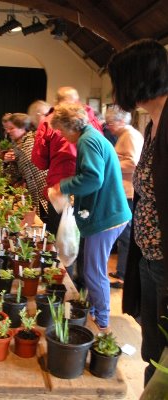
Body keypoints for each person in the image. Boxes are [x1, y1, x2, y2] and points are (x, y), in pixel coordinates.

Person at [108, 38, 168, 386]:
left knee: (162, 359)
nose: (117, 92)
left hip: (163, 261)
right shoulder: (151, 124)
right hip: (150, 256)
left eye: (119, 82)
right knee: (152, 349)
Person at [49, 103, 131, 332]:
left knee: (94, 271)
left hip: (107, 216)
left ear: (70, 126)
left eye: (62, 131)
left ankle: (102, 320)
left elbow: (93, 178)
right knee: (92, 269)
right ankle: (95, 310)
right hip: (108, 212)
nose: (63, 137)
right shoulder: (91, 137)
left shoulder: (87, 140)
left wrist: (63, 186)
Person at [31, 86, 102, 285]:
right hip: (89, 189)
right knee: (84, 236)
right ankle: (81, 287)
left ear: (57, 102)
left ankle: (62, 283)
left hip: (60, 188)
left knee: (61, 237)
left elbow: (39, 160)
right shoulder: (92, 120)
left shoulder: (48, 122)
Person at [105, 106, 144, 289]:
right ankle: (122, 271)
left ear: (121, 121)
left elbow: (133, 163)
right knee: (123, 234)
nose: (109, 127)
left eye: (111, 123)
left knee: (126, 234)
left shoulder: (130, 135)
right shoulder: (125, 135)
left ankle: (124, 276)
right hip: (124, 191)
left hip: (128, 192)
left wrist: (111, 164)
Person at [3, 113, 48, 221]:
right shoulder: (16, 146)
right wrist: (8, 162)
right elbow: (14, 176)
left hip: (47, 193)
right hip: (35, 196)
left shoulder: (34, 140)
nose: (8, 131)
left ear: (23, 128)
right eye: (7, 128)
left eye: (12, 128)